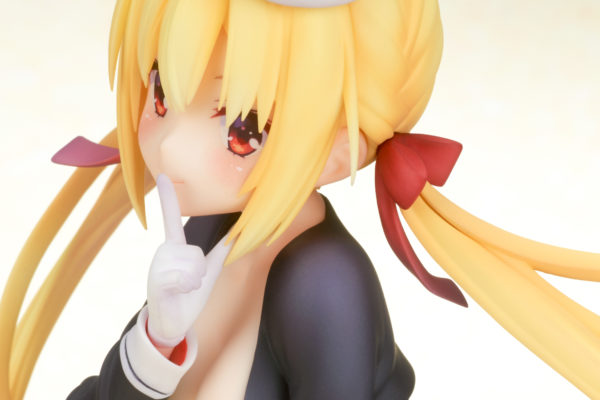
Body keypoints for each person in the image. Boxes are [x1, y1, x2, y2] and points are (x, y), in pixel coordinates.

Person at [1, 0, 598, 399]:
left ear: (340, 150)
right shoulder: (215, 228)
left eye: (242, 130)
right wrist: (155, 340)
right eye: (161, 92)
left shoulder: (324, 284)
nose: (172, 149)